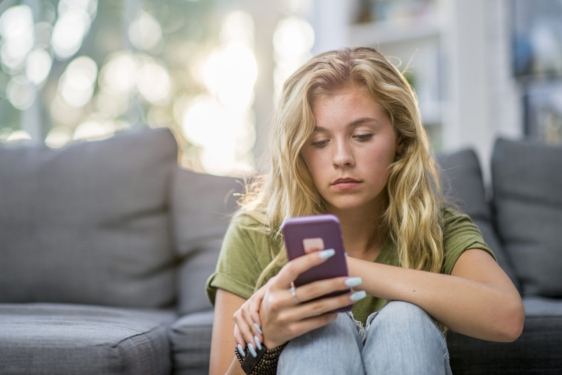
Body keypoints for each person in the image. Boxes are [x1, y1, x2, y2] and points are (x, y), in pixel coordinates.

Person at [206, 47, 524, 375]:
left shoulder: (436, 228)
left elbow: (508, 317)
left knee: (405, 320)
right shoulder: (254, 231)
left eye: (362, 136)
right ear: (299, 151)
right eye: (319, 142)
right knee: (323, 332)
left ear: (401, 139)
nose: (341, 157)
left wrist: (342, 269)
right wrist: (268, 341)